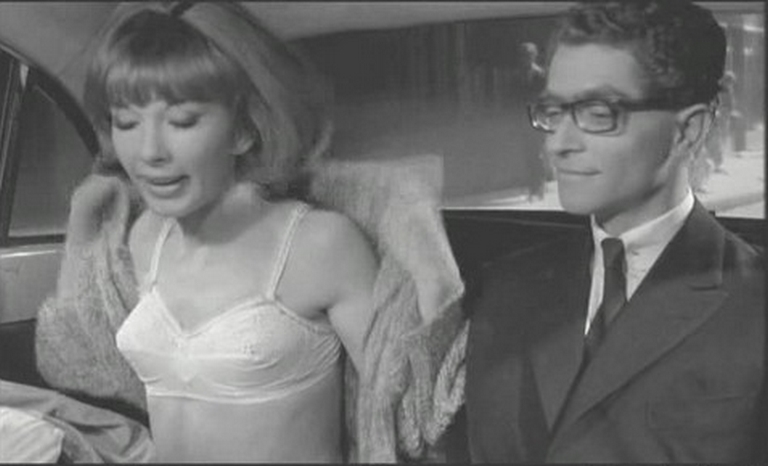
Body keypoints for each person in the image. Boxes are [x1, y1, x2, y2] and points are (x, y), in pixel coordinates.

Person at [34, 2, 467, 462]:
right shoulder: (143, 238)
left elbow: (405, 417)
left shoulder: (320, 246)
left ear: (245, 128)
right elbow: (84, 364)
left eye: (182, 121)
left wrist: (426, 272)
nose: (149, 151)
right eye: (126, 122)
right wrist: (82, 236)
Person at [463, 0, 766, 462]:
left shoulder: (754, 305)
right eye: (553, 111)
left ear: (688, 131)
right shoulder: (507, 286)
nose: (558, 144)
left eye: (598, 112)